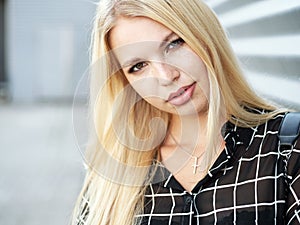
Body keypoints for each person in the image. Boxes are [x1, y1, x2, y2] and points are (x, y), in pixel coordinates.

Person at [71, 0, 300, 224]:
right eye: (138, 66)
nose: (166, 76)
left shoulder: (286, 149)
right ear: (125, 82)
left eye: (174, 44)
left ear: (203, 33)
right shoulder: (111, 178)